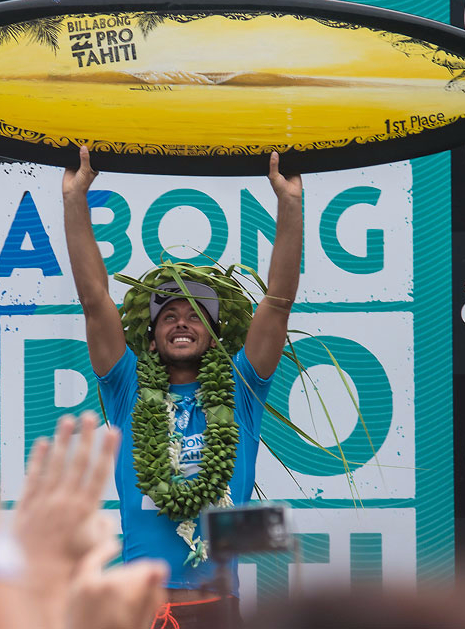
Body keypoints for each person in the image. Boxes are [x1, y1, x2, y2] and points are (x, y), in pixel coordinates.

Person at [62, 146, 302, 627]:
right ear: (151, 338)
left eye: (195, 317)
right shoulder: (127, 386)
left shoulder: (241, 389)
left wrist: (290, 205)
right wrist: (74, 199)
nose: (181, 324)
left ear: (214, 336)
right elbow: (94, 302)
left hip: (215, 610)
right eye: (168, 317)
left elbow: (276, 305)